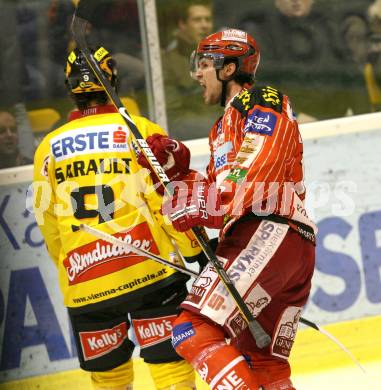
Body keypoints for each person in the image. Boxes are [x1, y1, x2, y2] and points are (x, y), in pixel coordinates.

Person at [145, 28, 317, 389]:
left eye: (205, 64)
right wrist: (174, 171)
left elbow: (260, 160)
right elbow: (216, 189)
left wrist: (211, 203)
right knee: (261, 361)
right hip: (279, 240)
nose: (197, 73)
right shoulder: (222, 126)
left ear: (228, 70)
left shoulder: (260, 99)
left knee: (192, 329)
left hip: (267, 231)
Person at [33, 46, 208, 390]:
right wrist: (193, 251)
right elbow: (165, 199)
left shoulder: (47, 148)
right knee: (170, 366)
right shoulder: (136, 129)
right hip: (151, 272)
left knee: (109, 378)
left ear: (70, 89)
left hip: (86, 283)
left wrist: (72, 266)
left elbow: (49, 223)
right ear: (113, 81)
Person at [160, 0, 221, 139]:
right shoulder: (167, 62)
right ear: (182, 24)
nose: (205, 25)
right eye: (197, 20)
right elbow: (173, 115)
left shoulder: (221, 58)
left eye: (208, 19)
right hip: (191, 134)